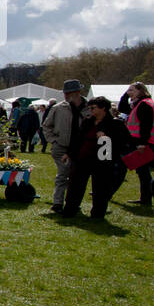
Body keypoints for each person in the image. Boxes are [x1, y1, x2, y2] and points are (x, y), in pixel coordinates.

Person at [61, 97, 132, 219]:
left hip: (102, 159)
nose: (91, 111)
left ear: (103, 108)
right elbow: (78, 139)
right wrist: (69, 152)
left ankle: (97, 214)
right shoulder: (88, 121)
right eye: (89, 108)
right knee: (75, 185)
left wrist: (106, 137)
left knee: (100, 188)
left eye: (93, 108)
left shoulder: (115, 124)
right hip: (83, 157)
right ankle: (70, 210)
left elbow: (124, 142)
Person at [41, 79, 86, 213]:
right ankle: (58, 202)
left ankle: (73, 202)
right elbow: (46, 126)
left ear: (78, 92)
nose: (66, 96)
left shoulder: (89, 107)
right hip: (61, 146)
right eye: (65, 93)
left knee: (77, 176)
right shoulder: (58, 108)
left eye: (70, 93)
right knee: (63, 173)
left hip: (80, 148)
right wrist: (53, 141)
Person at [124, 82, 154, 209]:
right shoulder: (143, 103)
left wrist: (142, 143)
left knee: (143, 172)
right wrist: (125, 95)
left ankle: (146, 198)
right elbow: (122, 107)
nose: (129, 92)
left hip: (145, 143)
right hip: (146, 141)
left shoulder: (144, 105)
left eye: (132, 90)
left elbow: (145, 125)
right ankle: (145, 198)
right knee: (143, 171)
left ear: (140, 91)